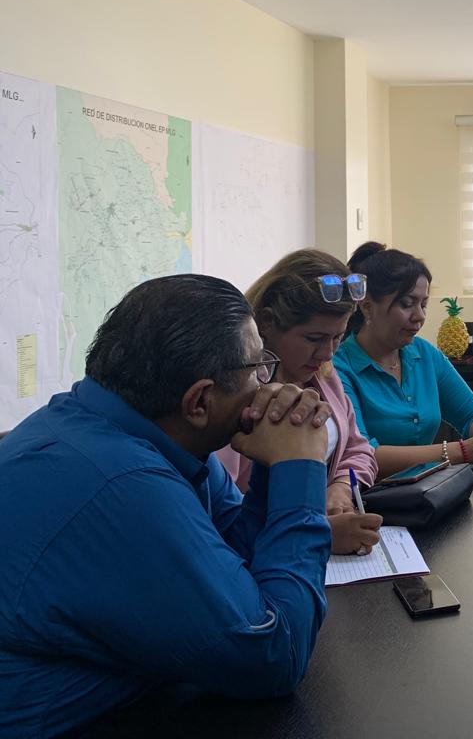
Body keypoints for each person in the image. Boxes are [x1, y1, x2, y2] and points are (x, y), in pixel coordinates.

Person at [0, 275, 334, 737]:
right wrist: (300, 467)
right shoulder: (123, 484)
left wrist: (273, 466)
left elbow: (233, 562)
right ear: (200, 401)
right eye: (259, 367)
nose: (268, 384)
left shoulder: (138, 428)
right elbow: (276, 655)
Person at [218, 249, 384, 555]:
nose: (328, 353)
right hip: (265, 555)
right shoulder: (236, 393)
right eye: (314, 338)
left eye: (338, 337)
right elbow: (220, 510)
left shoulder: (323, 375)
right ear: (267, 322)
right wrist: (318, 533)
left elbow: (358, 448)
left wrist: (341, 488)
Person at [334, 241, 473, 477]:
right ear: (367, 307)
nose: (419, 316)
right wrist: (463, 451)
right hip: (370, 496)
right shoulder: (339, 368)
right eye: (407, 304)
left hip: (428, 491)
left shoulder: (424, 354)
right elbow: (364, 455)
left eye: (423, 304)